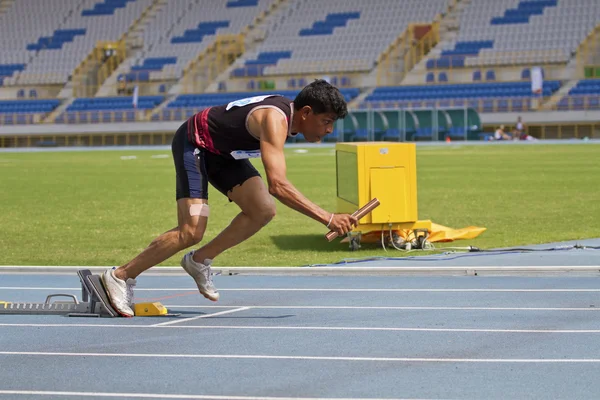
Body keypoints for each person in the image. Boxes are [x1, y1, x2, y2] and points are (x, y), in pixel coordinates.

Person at [101, 79, 358, 317]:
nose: (329, 129)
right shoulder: (275, 119)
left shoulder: (287, 117)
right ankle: (121, 275)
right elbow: (278, 185)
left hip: (225, 154)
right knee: (191, 231)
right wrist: (328, 217)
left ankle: (199, 261)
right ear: (306, 113)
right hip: (196, 143)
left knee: (263, 210)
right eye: (326, 121)